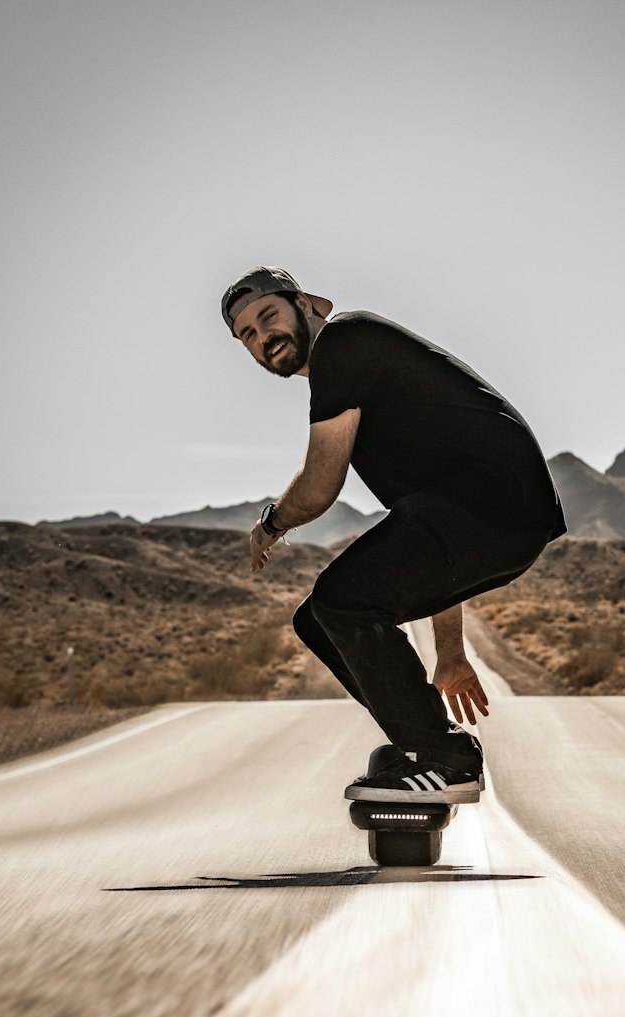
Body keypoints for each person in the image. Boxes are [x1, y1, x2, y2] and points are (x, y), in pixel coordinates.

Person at [221, 266, 565, 804]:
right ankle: (422, 746)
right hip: (493, 517)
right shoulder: (363, 387)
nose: (263, 337)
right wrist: (448, 654)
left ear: (308, 305)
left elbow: (318, 486)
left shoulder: (345, 342)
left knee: (343, 602)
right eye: (248, 336)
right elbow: (424, 539)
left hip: (496, 504)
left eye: (268, 317)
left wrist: (272, 523)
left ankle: (444, 759)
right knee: (318, 619)